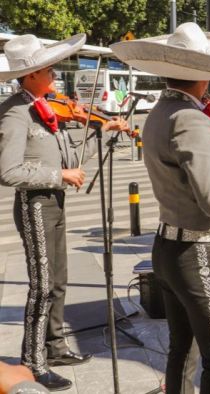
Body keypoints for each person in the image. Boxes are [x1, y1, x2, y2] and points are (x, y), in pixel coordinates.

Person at [110, 22, 210, 393]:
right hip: (198, 251)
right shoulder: (192, 120)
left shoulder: (161, 112)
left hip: (169, 244)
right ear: (203, 74)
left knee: (183, 347)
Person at [0, 33, 129, 390]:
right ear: (30, 75)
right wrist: (59, 175)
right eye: (48, 68)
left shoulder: (44, 107)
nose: (54, 73)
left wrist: (101, 131)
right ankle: (33, 361)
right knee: (42, 286)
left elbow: (72, 160)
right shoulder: (15, 112)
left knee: (58, 281)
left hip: (54, 202)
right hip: (35, 205)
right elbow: (7, 171)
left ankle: (54, 346)